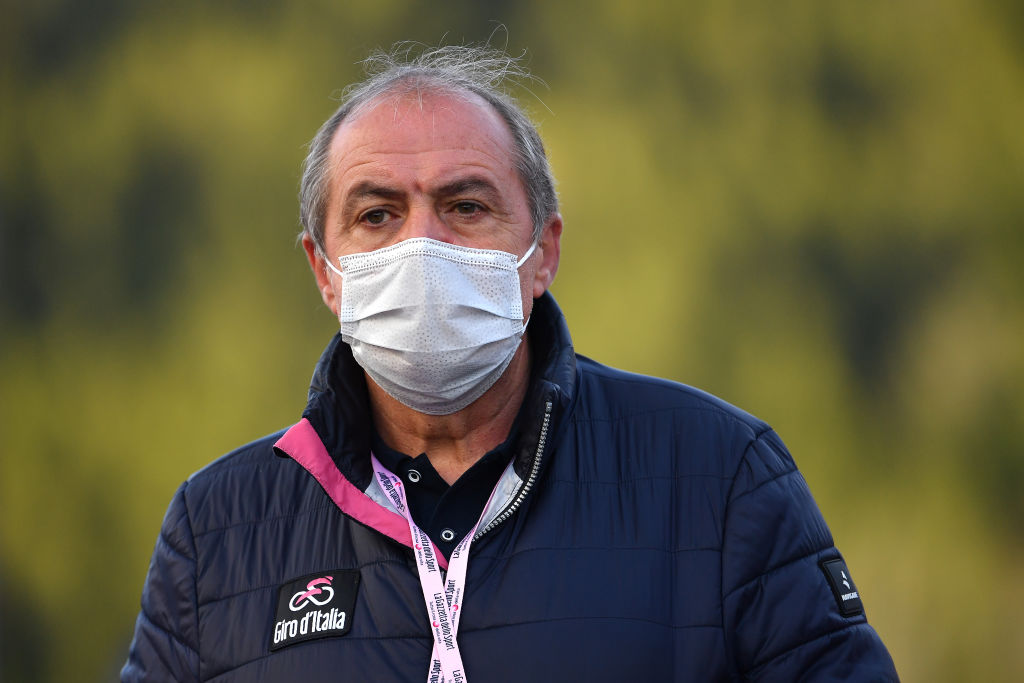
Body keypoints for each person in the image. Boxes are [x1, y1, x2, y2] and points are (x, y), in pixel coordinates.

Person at [122, 44, 898, 682]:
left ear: (543, 251)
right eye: (377, 214)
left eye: (466, 206)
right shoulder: (217, 529)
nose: (421, 247)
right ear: (324, 269)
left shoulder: (719, 477)